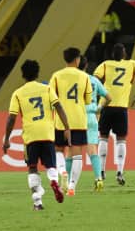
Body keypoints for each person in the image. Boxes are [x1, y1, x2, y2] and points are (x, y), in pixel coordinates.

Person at [3, 60, 71, 211]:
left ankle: (37, 202)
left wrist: (7, 138)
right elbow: (58, 106)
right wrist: (67, 127)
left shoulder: (18, 93)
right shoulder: (47, 89)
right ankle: (54, 181)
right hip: (47, 133)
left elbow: (12, 117)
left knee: (32, 168)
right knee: (50, 165)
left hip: (30, 136)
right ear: (38, 73)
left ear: (23, 75)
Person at [93, 43, 135, 185]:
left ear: (113, 55)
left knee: (103, 137)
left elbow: (95, 78)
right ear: (124, 55)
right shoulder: (131, 65)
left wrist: (98, 93)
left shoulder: (106, 65)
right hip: (121, 108)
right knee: (121, 139)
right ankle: (119, 171)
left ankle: (101, 170)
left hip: (106, 105)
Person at [49, 47, 93, 196]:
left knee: (58, 150)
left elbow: (51, 99)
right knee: (77, 155)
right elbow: (88, 100)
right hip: (79, 120)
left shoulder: (56, 76)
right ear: (77, 59)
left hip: (61, 121)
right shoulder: (84, 76)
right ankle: (72, 187)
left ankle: (62, 172)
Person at [81, 56, 112, 191]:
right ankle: (98, 179)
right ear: (86, 65)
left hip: (76, 117)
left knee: (71, 151)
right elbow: (109, 98)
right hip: (92, 117)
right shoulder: (94, 80)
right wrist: (98, 108)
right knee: (93, 150)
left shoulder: (74, 80)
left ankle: (69, 182)